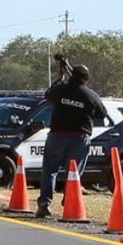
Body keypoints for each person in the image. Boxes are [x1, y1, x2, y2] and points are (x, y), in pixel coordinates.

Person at [35, 63, 107, 218]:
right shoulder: (90, 95)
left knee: (49, 171)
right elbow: (102, 114)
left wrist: (59, 80)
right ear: (86, 78)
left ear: (70, 75)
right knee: (73, 173)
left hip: (57, 136)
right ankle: (69, 201)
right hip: (79, 138)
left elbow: (47, 94)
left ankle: (44, 204)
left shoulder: (60, 90)